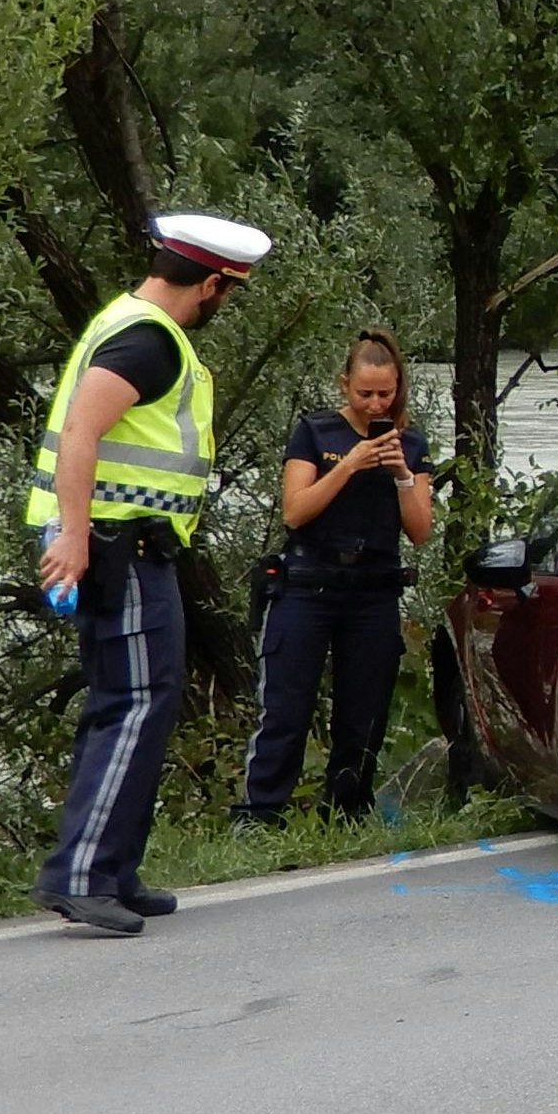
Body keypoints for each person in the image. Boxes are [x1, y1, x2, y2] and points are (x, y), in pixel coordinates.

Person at [26, 213, 269, 935]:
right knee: (134, 701)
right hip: (117, 548)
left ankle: (113, 868)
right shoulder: (149, 340)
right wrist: (72, 537)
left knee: (139, 700)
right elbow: (81, 431)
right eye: (230, 293)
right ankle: (82, 875)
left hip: (127, 547)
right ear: (213, 282)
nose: (225, 306)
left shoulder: (129, 323)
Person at [233, 330, 433, 826]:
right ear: (345, 385)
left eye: (384, 394)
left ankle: (346, 811)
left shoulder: (409, 442)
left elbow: (421, 530)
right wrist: (349, 465)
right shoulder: (315, 432)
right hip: (308, 585)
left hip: (374, 590)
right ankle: (260, 815)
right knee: (286, 706)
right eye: (364, 393)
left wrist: (403, 475)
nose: (375, 404)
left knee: (363, 712)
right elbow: (296, 512)